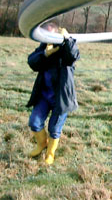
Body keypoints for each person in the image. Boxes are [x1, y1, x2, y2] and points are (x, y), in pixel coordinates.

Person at [27, 22, 80, 165]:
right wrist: (45, 53)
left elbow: (73, 55)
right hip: (44, 96)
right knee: (34, 122)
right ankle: (41, 144)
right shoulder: (44, 48)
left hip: (61, 98)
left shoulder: (66, 48)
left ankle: (50, 154)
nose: (47, 39)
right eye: (45, 36)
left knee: (54, 129)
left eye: (50, 35)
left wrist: (68, 39)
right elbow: (32, 62)